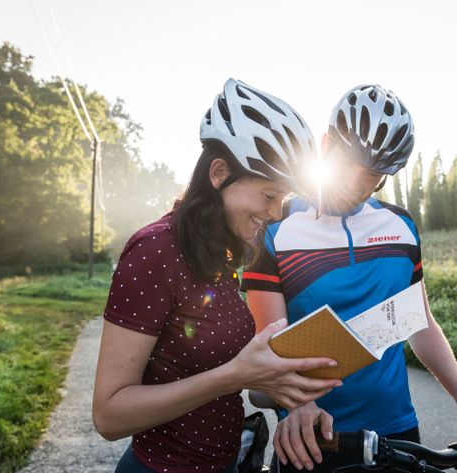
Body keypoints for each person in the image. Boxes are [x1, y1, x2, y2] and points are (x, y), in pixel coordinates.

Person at [242, 84, 457, 472]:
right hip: (311, 436)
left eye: (373, 174)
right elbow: (269, 342)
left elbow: (420, 323)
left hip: (397, 432)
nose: (356, 181)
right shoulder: (274, 228)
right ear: (325, 144)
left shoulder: (400, 226)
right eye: (348, 161)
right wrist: (299, 406)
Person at [92, 78, 342, 473]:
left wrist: (296, 399)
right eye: (268, 195)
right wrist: (231, 377)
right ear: (219, 173)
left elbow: (228, 372)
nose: (276, 213)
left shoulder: (221, 254)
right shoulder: (154, 251)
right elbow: (108, 415)